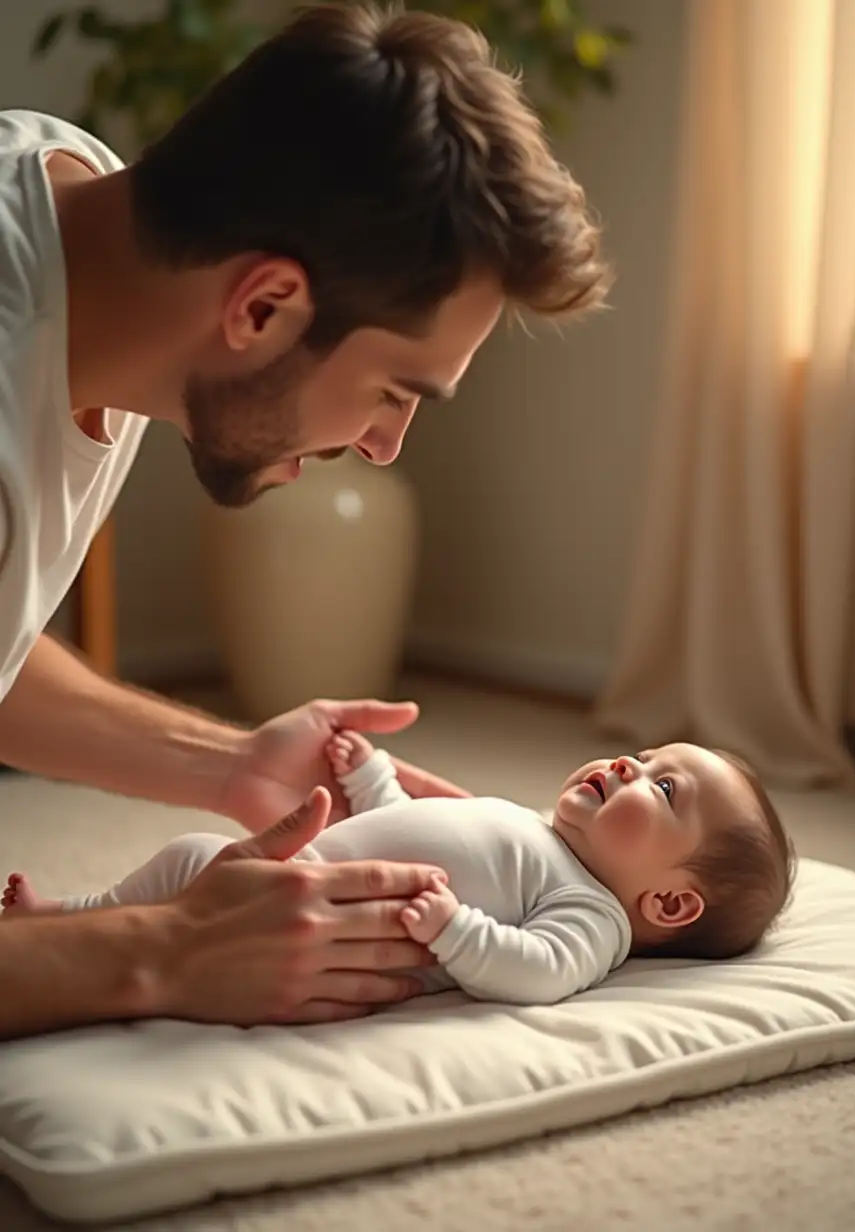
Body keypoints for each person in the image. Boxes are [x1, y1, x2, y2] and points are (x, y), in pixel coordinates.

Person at [0, 3, 612, 1040]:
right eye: (393, 392)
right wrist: (161, 947)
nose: (385, 445)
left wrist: (225, 762)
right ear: (263, 307)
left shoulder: (67, 189)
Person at [5, 733, 797, 1006]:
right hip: (303, 869)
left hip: (316, 920)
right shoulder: (535, 829)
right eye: (649, 752)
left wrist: (455, 930)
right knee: (191, 855)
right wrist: (372, 783)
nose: (631, 761)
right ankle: (74, 917)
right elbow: (404, 832)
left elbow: (542, 971)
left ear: (669, 902)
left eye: (663, 787)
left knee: (191, 860)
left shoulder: (593, 914)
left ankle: (66, 920)